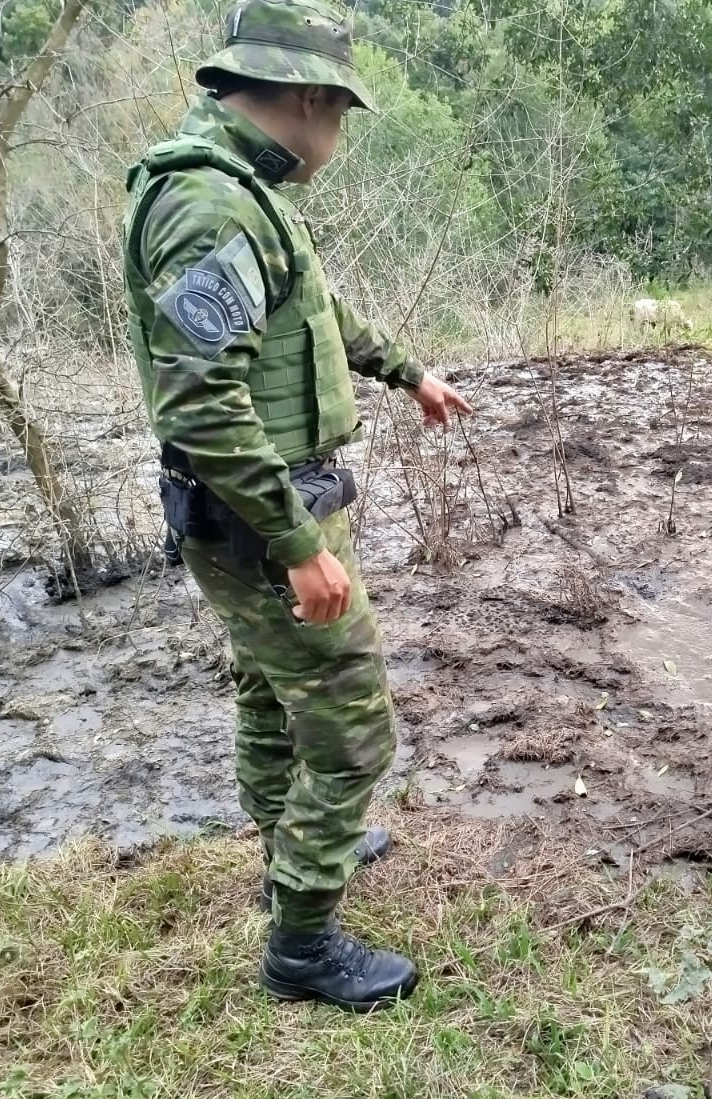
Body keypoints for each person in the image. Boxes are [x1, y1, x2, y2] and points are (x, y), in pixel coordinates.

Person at [121, 0, 471, 1012]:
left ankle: (295, 853)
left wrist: (408, 373)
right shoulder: (212, 207)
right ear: (311, 99)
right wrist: (295, 542)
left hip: (259, 509)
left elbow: (310, 305)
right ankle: (303, 946)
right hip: (259, 514)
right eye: (341, 115)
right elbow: (199, 396)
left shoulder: (247, 195)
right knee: (354, 728)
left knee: (276, 695)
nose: (338, 140)